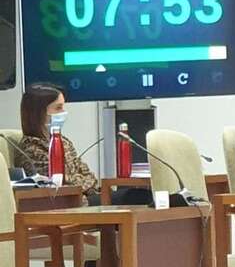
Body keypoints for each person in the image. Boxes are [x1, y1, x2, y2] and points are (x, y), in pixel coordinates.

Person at [17, 82, 150, 207]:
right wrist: (85, 183)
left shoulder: (63, 141)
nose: (63, 112)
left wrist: (85, 183)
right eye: (58, 108)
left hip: (90, 197)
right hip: (73, 204)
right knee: (134, 198)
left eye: (63, 106)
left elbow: (88, 175)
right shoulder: (30, 149)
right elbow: (62, 184)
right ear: (38, 113)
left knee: (141, 195)